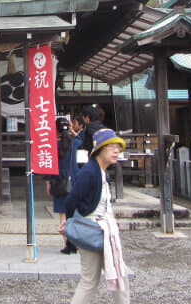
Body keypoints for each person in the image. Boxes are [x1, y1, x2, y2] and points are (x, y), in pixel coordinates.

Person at [61, 128, 130, 304]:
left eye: (118, 148)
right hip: (92, 229)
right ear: (100, 149)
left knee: (117, 275)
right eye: (112, 147)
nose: (117, 151)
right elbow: (71, 200)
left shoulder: (102, 171)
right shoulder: (90, 172)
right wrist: (70, 223)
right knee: (91, 281)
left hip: (104, 230)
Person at [46, 117, 79, 254]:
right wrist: (71, 129)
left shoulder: (53, 145)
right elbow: (80, 139)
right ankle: (73, 243)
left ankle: (66, 244)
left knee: (63, 215)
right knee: (72, 214)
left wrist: (48, 182)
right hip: (74, 180)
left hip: (59, 180)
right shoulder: (74, 143)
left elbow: (51, 166)